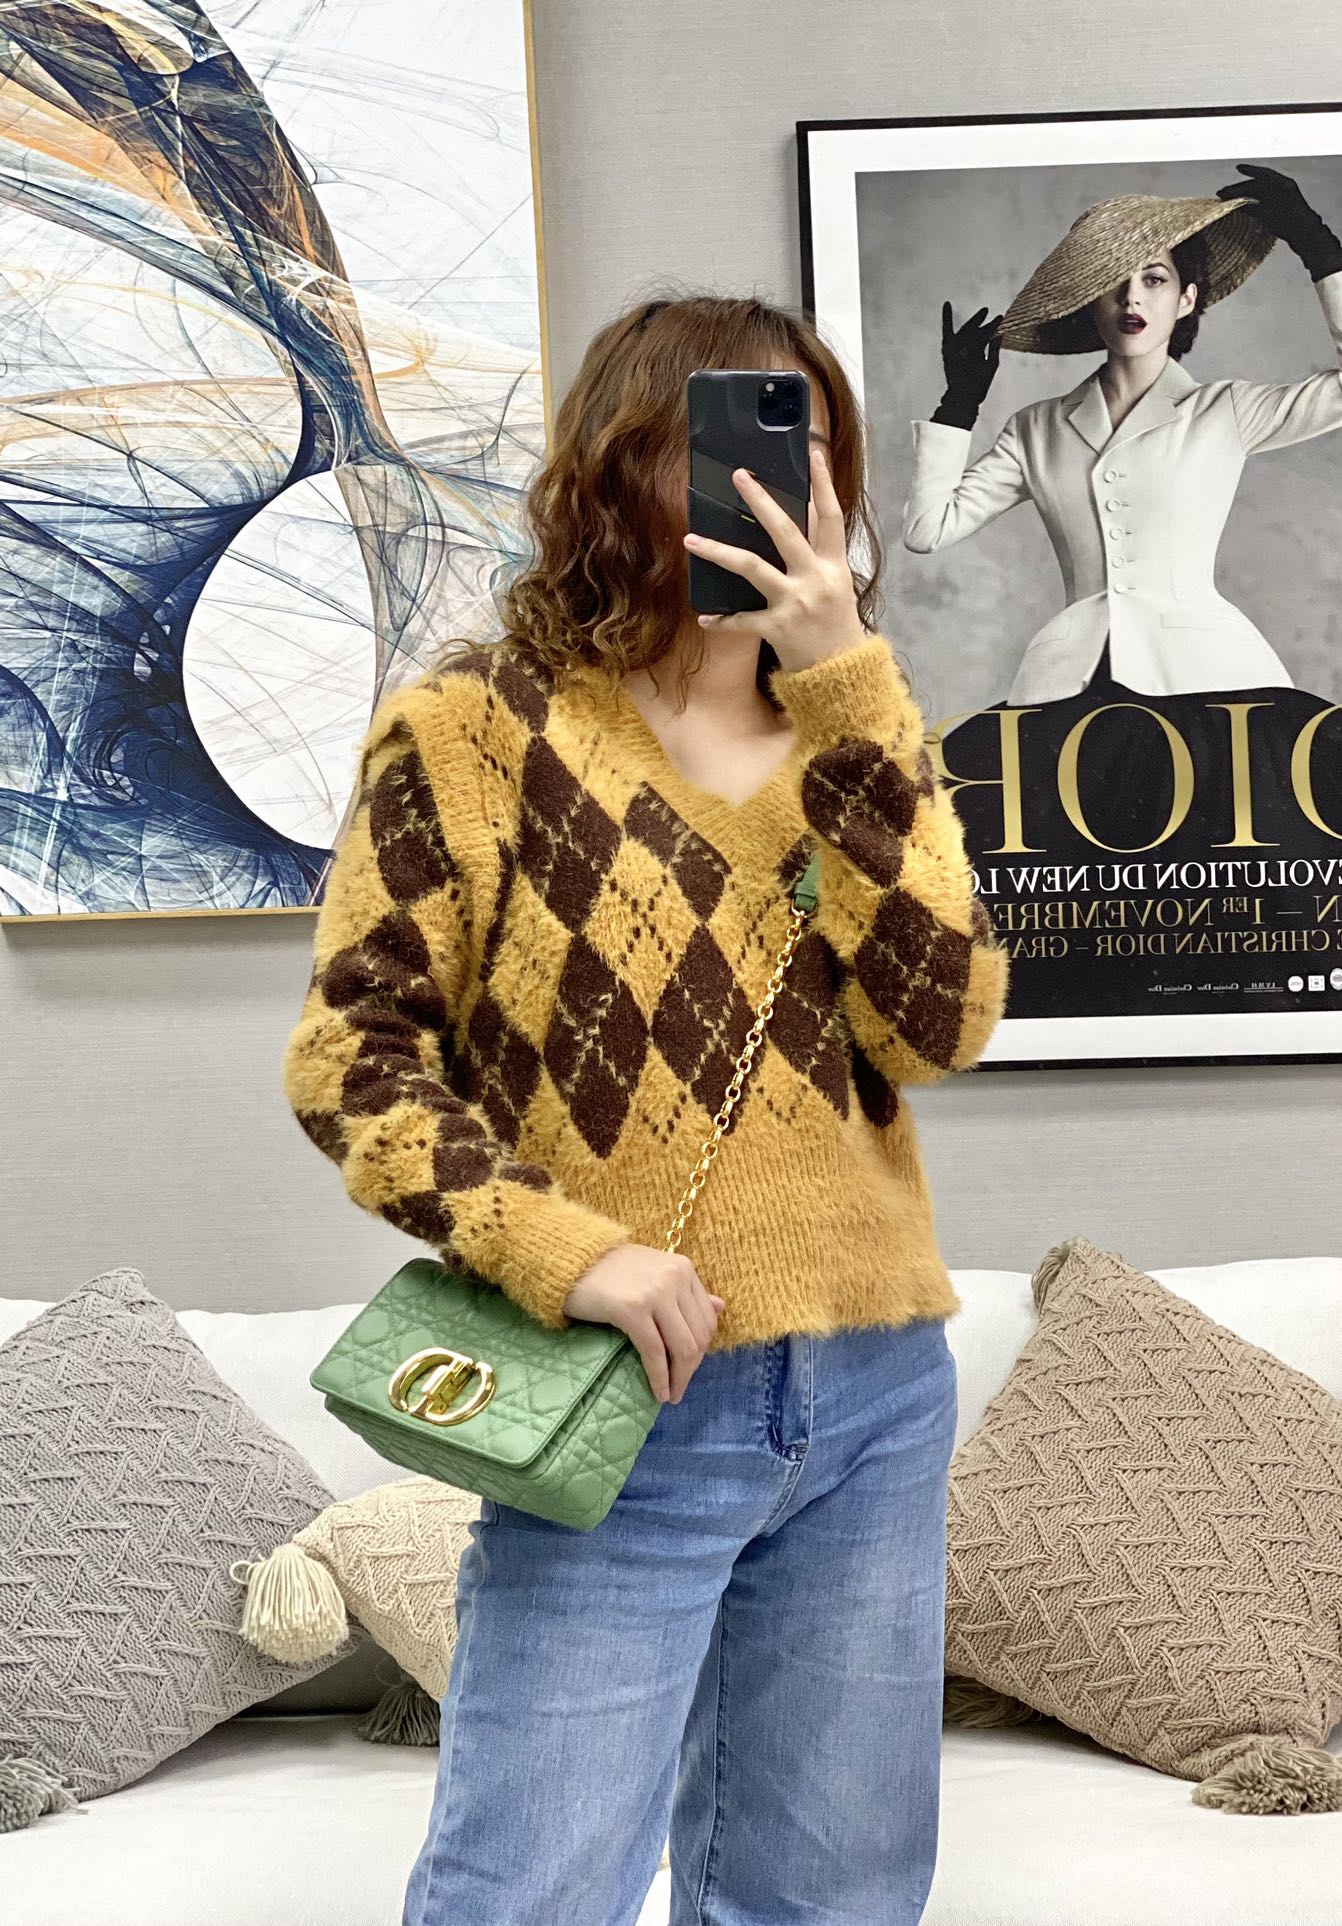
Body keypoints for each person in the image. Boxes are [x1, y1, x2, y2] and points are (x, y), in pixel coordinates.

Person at [282, 290, 1008, 1926]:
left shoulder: (858, 728)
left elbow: (940, 1021)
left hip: (876, 1391)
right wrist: (566, 1252)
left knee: (831, 1899)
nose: (778, 479)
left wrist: (849, 691)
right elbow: (353, 1059)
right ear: (623, 467)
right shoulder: (472, 733)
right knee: (525, 1893)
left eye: (806, 442)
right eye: (726, 437)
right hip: (626, 1395)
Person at [903, 163, 1342, 706]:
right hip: (1071, 683)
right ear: (1090, 302)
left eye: (1154, 279)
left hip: (1205, 676)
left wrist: (1318, 248)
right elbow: (927, 530)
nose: (1132, 298)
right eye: (1113, 282)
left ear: (1186, 299)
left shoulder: (1225, 411)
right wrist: (958, 404)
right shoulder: (1036, 429)